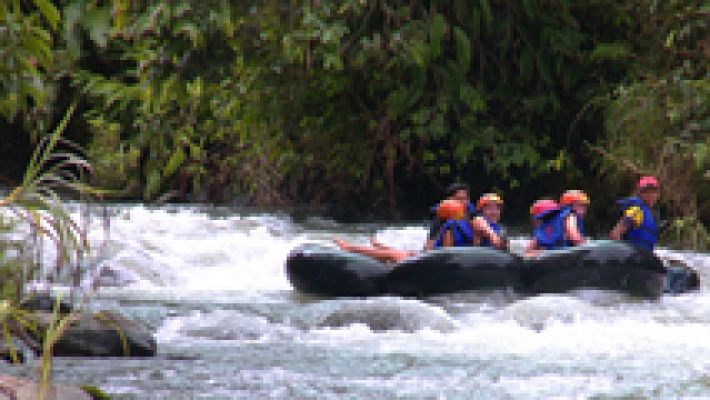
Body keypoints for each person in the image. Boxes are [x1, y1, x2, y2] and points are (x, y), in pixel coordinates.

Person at [335, 199, 467, 263]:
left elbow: (447, 253)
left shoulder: (449, 228)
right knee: (403, 253)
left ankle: (350, 248)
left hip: (436, 261)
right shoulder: (455, 226)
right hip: (433, 258)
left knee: (396, 255)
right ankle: (378, 247)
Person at [524, 190, 589, 257]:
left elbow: (530, 247)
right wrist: (585, 244)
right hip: (562, 254)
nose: (584, 209)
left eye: (585, 206)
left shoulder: (545, 224)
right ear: (570, 206)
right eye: (580, 206)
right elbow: (573, 235)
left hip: (551, 253)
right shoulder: (570, 215)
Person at [610, 176, 660, 251]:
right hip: (634, 257)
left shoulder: (648, 213)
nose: (650, 195)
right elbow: (615, 234)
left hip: (644, 256)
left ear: (658, 194)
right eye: (646, 192)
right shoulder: (636, 210)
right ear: (639, 193)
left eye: (653, 192)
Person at [424, 183, 473, 250]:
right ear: (449, 200)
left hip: (470, 250)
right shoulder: (441, 218)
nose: (462, 202)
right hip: (448, 251)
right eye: (458, 199)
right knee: (449, 227)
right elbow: (430, 242)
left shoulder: (473, 215)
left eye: (464, 199)